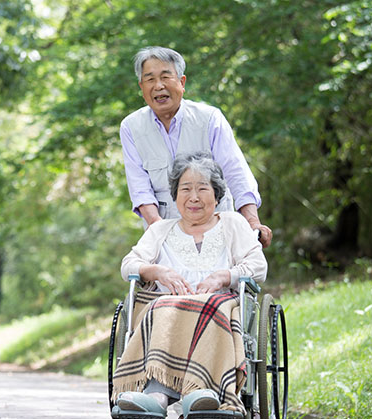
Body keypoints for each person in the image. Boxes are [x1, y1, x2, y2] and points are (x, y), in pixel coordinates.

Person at [111, 152, 267, 418]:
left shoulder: (233, 223)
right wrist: (157, 271)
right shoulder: (161, 230)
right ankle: (157, 394)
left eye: (202, 188)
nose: (193, 197)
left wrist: (223, 277)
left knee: (212, 308)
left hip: (219, 303)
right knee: (159, 306)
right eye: (185, 189)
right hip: (166, 305)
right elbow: (129, 265)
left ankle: (203, 391)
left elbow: (258, 266)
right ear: (175, 196)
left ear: (216, 195)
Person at [120, 46, 273, 248]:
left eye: (166, 77)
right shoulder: (131, 127)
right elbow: (139, 187)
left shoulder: (209, 118)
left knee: (224, 277)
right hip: (166, 230)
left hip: (218, 226)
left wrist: (252, 221)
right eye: (150, 79)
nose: (158, 86)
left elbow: (236, 173)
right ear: (142, 88)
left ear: (182, 82)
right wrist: (157, 228)